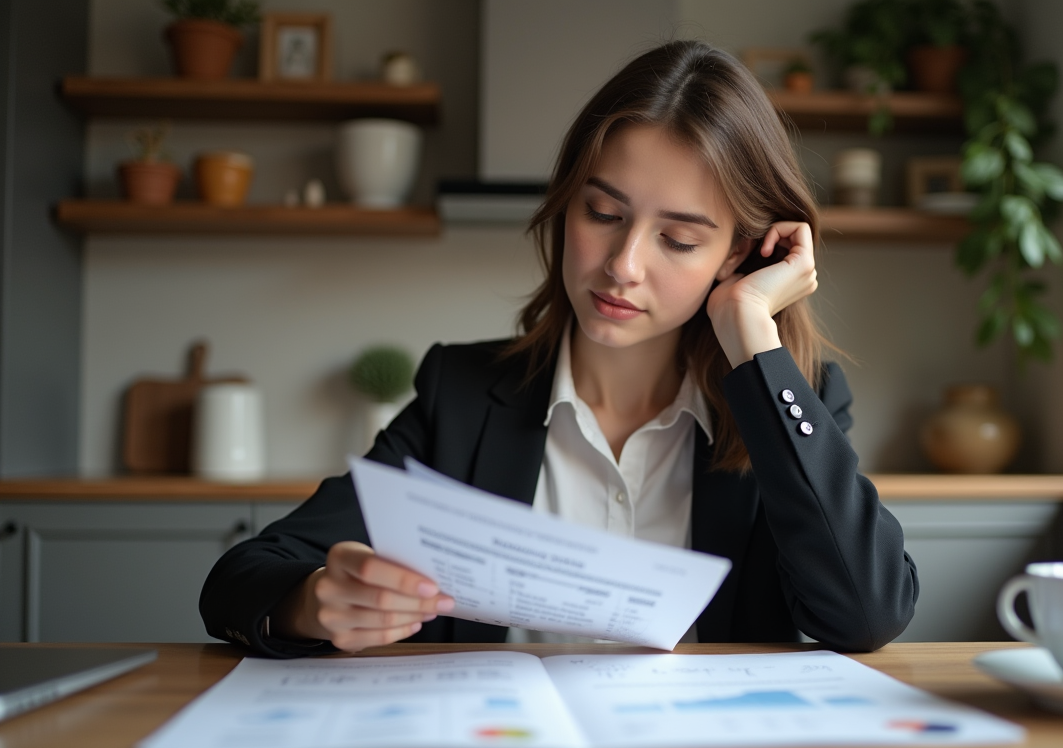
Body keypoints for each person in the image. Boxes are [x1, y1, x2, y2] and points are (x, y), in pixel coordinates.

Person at [199, 40, 918, 658]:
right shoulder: (463, 394)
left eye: (679, 239)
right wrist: (309, 602)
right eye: (603, 212)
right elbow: (245, 575)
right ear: (565, 203)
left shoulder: (793, 400)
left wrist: (753, 333)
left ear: (740, 253)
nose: (623, 264)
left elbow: (866, 613)